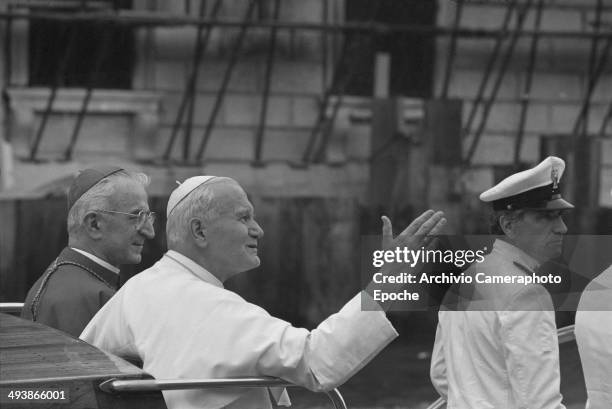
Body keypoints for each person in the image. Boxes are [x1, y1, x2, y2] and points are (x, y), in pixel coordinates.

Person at [81, 175, 445, 409]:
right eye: (243, 218)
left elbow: (81, 370)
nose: (259, 230)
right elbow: (318, 362)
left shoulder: (137, 289)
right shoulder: (209, 306)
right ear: (200, 231)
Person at [430, 156, 573, 409]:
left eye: (560, 216)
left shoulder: (465, 279)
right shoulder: (528, 293)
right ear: (508, 224)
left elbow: (442, 374)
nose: (562, 228)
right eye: (546, 217)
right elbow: (541, 403)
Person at [21, 166, 155, 337]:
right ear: (94, 224)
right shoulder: (73, 299)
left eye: (149, 217)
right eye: (137, 216)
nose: (150, 231)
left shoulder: (80, 285)